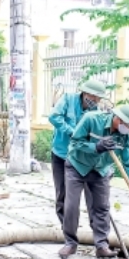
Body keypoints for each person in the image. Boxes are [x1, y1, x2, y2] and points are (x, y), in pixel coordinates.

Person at [60, 104, 129, 259]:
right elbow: (75, 143)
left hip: (101, 171)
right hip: (78, 166)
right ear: (118, 119)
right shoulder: (91, 119)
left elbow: (128, 162)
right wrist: (95, 146)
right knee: (71, 206)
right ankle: (70, 243)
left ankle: (102, 246)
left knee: (102, 208)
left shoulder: (125, 137)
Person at [48, 79, 108, 225]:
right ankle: (66, 228)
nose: (96, 100)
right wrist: (74, 132)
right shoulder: (68, 99)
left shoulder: (96, 112)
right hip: (61, 154)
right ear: (86, 93)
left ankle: (97, 231)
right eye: (94, 97)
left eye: (99, 98)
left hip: (83, 159)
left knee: (93, 196)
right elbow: (54, 117)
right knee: (63, 194)